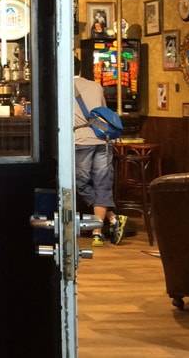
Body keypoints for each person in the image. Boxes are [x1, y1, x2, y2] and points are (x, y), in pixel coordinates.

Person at [74, 56, 126, 246]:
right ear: (81, 68)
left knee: (80, 183)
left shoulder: (62, 87)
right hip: (103, 140)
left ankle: (101, 227)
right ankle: (105, 225)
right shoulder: (96, 86)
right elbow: (102, 112)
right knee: (102, 184)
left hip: (80, 141)